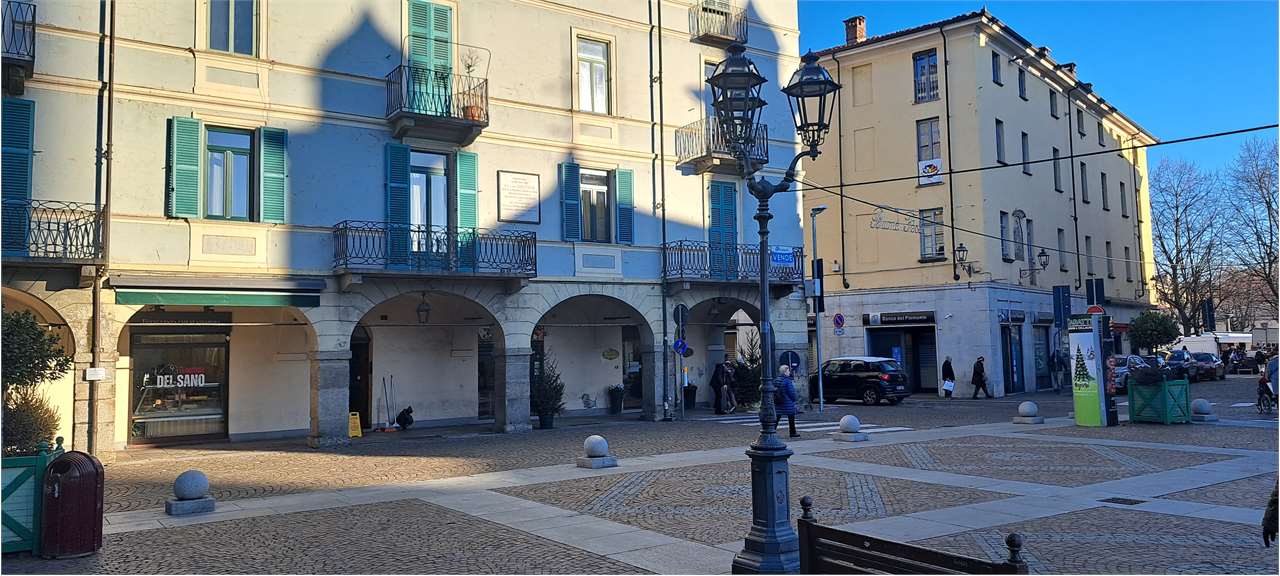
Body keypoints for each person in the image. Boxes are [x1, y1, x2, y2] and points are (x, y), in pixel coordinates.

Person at [775, 364, 799, 437]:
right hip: (787, 402)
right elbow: (791, 392)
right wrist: (794, 399)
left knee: (777, 417)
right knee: (791, 417)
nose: (789, 372)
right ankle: (792, 432)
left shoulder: (776, 380)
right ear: (785, 372)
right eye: (788, 371)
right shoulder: (788, 381)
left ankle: (772, 430)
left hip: (778, 401)